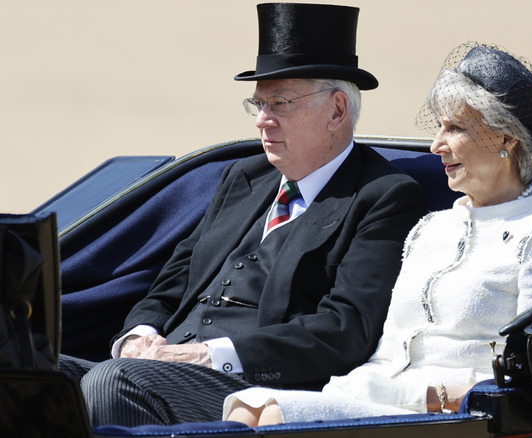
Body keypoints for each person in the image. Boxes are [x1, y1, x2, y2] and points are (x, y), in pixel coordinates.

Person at [59, 3, 428, 426]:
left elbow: (345, 329)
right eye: (258, 104)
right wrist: (139, 336)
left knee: (115, 382)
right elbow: (171, 285)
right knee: (27, 372)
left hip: (259, 389)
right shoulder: (244, 178)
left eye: (280, 103)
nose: (263, 121)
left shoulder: (383, 196)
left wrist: (208, 355)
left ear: (337, 111)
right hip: (154, 368)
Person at [221, 42, 532, 427]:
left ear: (506, 139)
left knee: (271, 414)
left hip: (454, 416)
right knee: (248, 404)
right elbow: (388, 348)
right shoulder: (430, 228)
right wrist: (364, 387)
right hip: (368, 393)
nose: (436, 145)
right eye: (440, 126)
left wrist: (426, 395)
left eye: (456, 128)